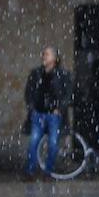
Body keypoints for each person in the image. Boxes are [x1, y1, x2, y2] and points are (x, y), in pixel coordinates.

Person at [24, 47, 71, 180]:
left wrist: (59, 109)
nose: (44, 56)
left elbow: (67, 94)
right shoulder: (36, 73)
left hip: (53, 115)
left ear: (55, 58)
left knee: (53, 143)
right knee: (33, 142)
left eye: (47, 54)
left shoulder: (63, 74)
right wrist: (32, 108)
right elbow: (29, 92)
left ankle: (48, 172)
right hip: (39, 113)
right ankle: (30, 171)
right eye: (44, 54)